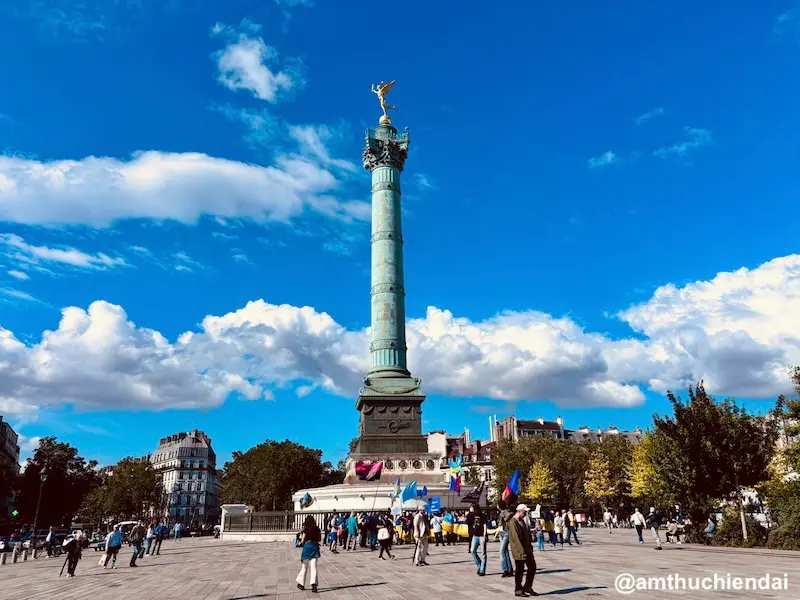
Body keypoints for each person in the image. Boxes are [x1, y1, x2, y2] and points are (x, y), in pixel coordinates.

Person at [508, 504, 537, 597]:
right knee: (519, 570)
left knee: (532, 567)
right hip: (519, 550)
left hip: (527, 549)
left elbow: (526, 534)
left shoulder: (522, 521)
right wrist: (522, 551)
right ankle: (518, 589)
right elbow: (516, 539)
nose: (525, 514)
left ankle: (527, 586)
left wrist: (529, 546)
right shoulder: (513, 522)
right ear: (519, 511)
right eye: (524, 512)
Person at [296, 515, 321, 593]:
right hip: (314, 548)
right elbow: (319, 539)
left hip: (307, 548)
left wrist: (299, 538)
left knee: (304, 567)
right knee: (314, 568)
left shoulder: (305, 529)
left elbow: (302, 541)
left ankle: (301, 583)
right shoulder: (317, 529)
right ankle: (314, 584)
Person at [497, 499, 514, 578]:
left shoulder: (508, 513)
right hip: (502, 532)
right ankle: (509, 570)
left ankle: (505, 569)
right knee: (505, 552)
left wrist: (503, 514)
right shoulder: (500, 513)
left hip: (507, 533)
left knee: (501, 551)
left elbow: (509, 518)